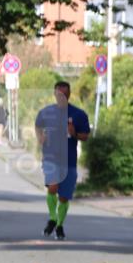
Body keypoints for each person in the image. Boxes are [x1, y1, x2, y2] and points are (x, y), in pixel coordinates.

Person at [35, 82, 90, 240]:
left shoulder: (78, 114)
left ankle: (59, 225)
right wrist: (40, 137)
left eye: (65, 95)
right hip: (51, 158)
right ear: (54, 94)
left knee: (64, 197)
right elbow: (38, 125)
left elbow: (85, 136)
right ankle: (53, 218)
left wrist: (74, 134)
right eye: (59, 94)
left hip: (69, 160)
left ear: (69, 94)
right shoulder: (47, 112)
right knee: (52, 186)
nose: (62, 97)